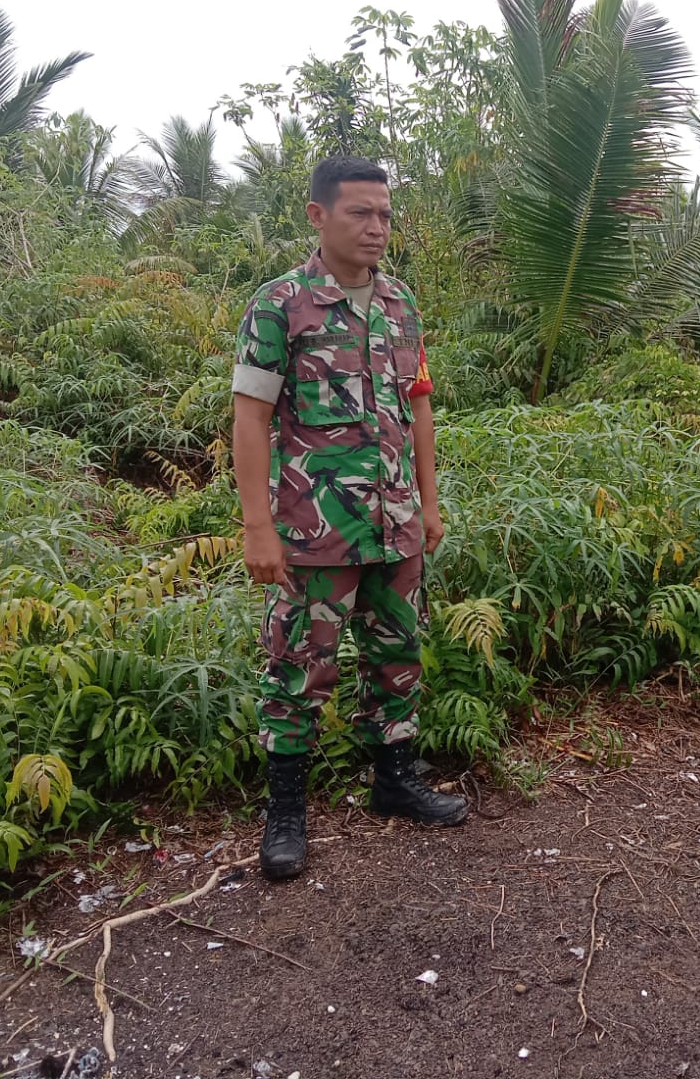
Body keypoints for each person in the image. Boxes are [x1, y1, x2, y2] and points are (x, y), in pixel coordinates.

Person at [232, 155, 467, 882]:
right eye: (360, 213)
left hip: (395, 520)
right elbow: (250, 416)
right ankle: (286, 812)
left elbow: (418, 405)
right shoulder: (281, 304)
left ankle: (394, 780)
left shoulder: (401, 304)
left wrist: (428, 503)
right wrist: (257, 525)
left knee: (398, 656)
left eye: (385, 215)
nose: (376, 227)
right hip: (315, 526)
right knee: (300, 665)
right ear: (317, 216)